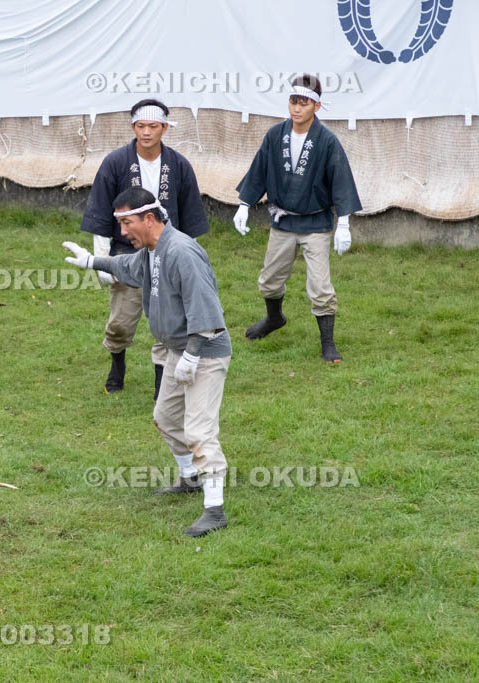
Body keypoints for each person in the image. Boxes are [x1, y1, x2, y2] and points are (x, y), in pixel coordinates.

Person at [64, 186, 231, 537]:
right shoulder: (152, 251)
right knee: (166, 417)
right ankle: (190, 478)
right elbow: (128, 266)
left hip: (204, 350)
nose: (122, 232)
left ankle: (215, 510)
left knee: (200, 430)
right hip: (177, 349)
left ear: (150, 218)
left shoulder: (183, 252)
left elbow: (208, 312)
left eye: (127, 223)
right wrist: (91, 261)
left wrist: (191, 356)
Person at [80, 99, 208, 398]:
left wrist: (191, 258)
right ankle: (117, 361)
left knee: (169, 318)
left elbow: (190, 214)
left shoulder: (178, 165)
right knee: (122, 320)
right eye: (141, 126)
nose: (147, 132)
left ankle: (160, 382)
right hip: (127, 251)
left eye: (153, 126)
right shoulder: (115, 163)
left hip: (169, 250)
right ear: (132, 127)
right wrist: (101, 259)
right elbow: (100, 209)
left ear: (165, 127)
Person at [233, 74, 362, 363]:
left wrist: (344, 224)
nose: (296, 108)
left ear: (316, 106)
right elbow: (258, 171)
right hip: (283, 221)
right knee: (269, 280)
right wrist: (244, 204)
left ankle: (327, 344)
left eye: (303, 103)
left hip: (315, 223)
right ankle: (274, 319)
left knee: (320, 287)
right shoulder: (275, 135)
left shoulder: (327, 141)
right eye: (293, 101)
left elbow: (341, 182)